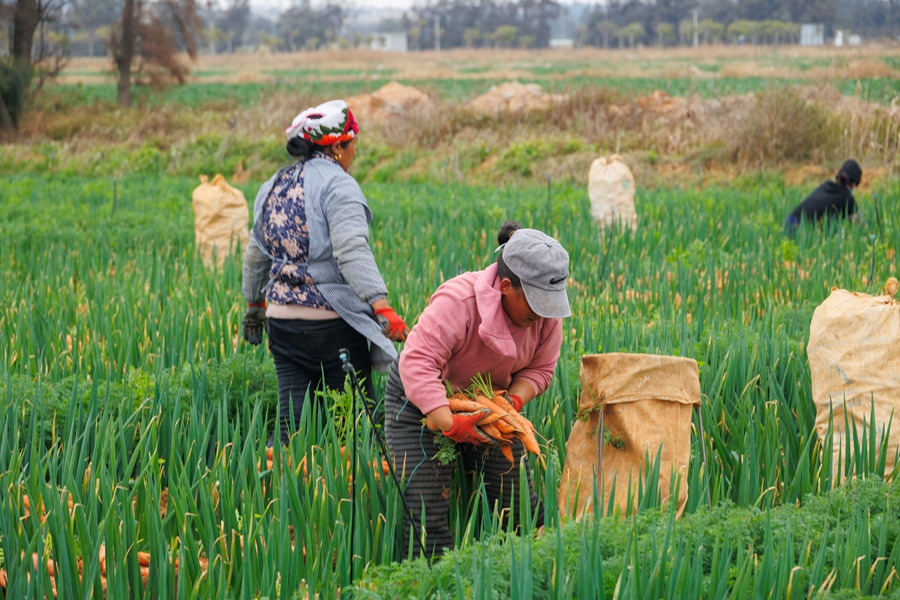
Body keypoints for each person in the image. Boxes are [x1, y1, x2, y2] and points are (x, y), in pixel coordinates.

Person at [384, 222, 570, 560]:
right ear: (505, 286)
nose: (544, 314)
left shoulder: (545, 317)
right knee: (428, 516)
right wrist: (450, 423)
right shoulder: (460, 301)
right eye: (536, 303)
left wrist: (509, 403)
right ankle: (433, 580)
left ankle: (530, 572)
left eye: (550, 303)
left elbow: (540, 369)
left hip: (487, 407)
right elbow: (417, 363)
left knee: (520, 508)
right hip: (422, 402)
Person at [241, 99, 408, 447]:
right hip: (332, 325)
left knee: (290, 422)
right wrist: (382, 306)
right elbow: (351, 250)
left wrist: (254, 307)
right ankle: (357, 491)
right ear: (336, 147)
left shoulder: (272, 185)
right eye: (352, 147)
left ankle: (271, 488)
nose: (354, 156)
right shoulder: (339, 185)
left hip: (282, 322)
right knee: (355, 424)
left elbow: (255, 253)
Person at [784, 159, 863, 235]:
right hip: (800, 229)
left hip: (788, 222)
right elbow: (860, 223)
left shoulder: (826, 186)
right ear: (853, 184)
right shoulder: (848, 199)